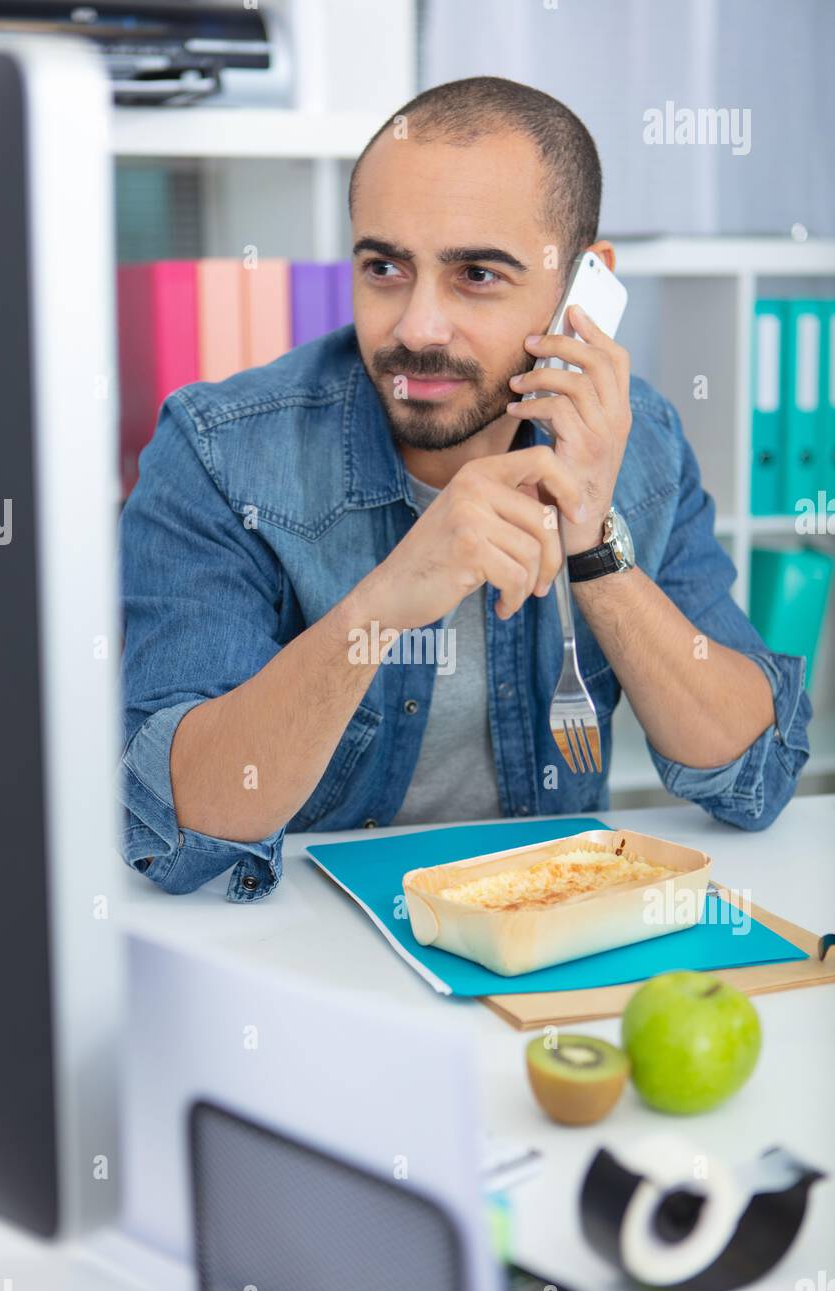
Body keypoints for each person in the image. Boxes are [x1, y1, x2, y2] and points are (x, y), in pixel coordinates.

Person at [118, 76, 811, 903]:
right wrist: (383, 607)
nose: (415, 327)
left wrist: (595, 552)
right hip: (300, 955)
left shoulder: (640, 443)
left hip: (538, 949)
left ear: (583, 291)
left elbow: (755, 776)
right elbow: (176, 828)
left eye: (477, 274)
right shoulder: (219, 451)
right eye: (385, 267)